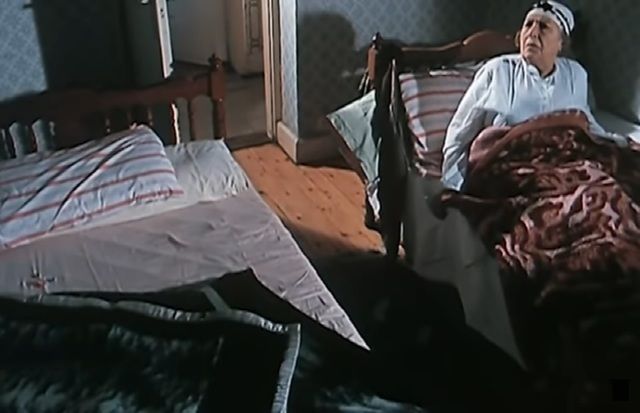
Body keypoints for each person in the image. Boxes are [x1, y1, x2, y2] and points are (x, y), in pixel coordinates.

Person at [440, 0, 626, 192]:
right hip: (510, 171)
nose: (533, 33)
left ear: (561, 43)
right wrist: (453, 183)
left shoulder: (575, 74)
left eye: (544, 27)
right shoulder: (498, 71)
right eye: (528, 25)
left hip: (563, 166)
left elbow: (585, 122)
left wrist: (616, 142)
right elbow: (461, 130)